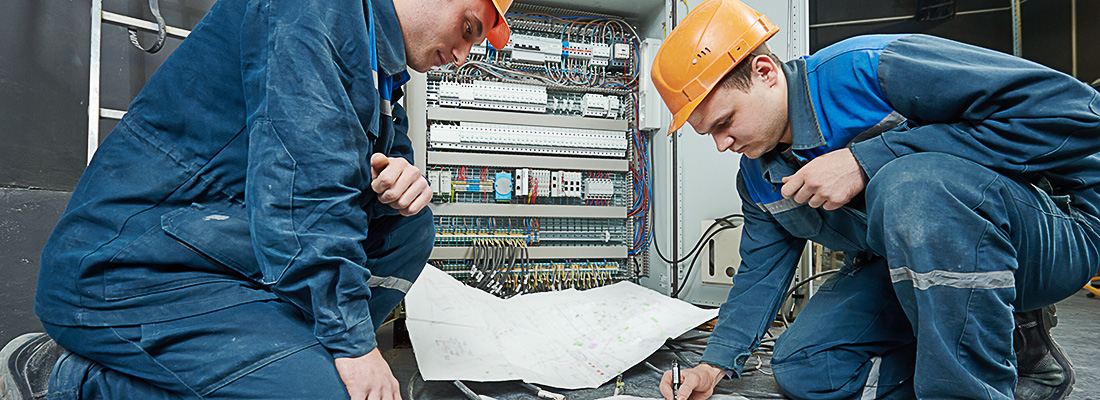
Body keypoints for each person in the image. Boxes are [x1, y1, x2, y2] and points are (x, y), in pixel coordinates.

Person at [0, 0, 512, 398]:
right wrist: (354, 346)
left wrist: (401, 180)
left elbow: (357, 175)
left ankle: (296, 348)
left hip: (216, 252)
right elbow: (307, 182)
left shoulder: (381, 69)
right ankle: (63, 379)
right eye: (469, 27)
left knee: (410, 223)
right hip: (129, 268)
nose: (464, 54)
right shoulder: (315, 11)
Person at [649, 1, 1100, 399]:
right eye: (708, 133)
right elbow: (759, 275)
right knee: (807, 367)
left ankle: (988, 357)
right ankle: (1008, 354)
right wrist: (714, 365)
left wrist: (868, 159)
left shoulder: (868, 69)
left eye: (725, 122)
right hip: (906, 266)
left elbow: (1078, 111)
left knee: (911, 186)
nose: (722, 144)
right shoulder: (759, 176)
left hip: (1051, 231)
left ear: (765, 73)